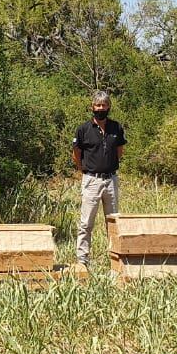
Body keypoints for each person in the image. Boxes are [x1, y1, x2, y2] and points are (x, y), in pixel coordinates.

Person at [72, 90, 126, 268]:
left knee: (113, 222)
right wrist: (84, 170)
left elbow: (119, 151)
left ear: (109, 107)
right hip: (91, 180)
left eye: (104, 105)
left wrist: (109, 166)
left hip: (111, 180)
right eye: (97, 105)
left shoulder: (116, 128)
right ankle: (82, 260)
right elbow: (76, 153)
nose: (100, 108)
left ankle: (115, 261)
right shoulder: (83, 130)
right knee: (86, 222)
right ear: (92, 107)